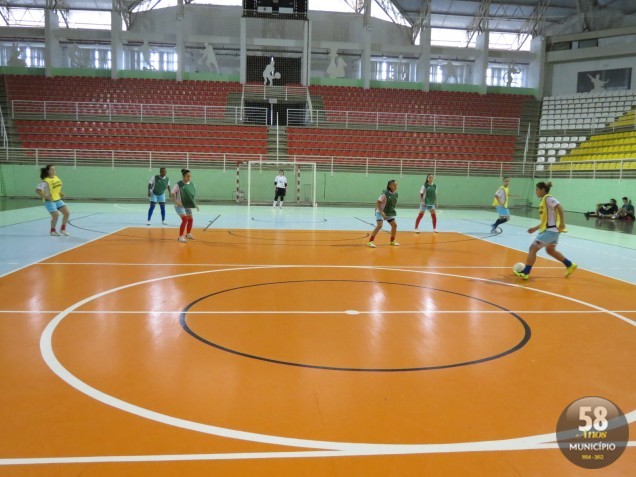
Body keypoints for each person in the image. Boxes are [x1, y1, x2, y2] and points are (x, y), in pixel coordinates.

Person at [513, 181, 577, 280]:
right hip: (551, 231)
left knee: (532, 248)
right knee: (550, 250)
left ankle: (526, 272)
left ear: (543, 190)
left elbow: (560, 208)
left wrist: (562, 223)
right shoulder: (543, 200)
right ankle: (570, 265)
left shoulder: (548, 198)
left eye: (537, 189)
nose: (536, 192)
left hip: (551, 231)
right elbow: (546, 220)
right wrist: (535, 228)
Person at [35, 164, 71, 236]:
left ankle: (62, 229)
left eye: (54, 169)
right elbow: (37, 190)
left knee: (67, 213)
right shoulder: (45, 181)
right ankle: (52, 231)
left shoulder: (56, 178)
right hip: (49, 201)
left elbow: (55, 188)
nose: (54, 171)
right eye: (51, 169)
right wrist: (45, 196)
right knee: (55, 216)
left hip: (57, 199)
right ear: (48, 171)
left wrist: (60, 193)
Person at [170, 168, 199, 243]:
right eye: (187, 176)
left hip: (187, 205)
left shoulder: (192, 184)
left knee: (191, 219)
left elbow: (191, 196)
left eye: (190, 176)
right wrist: (176, 202)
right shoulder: (178, 184)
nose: (189, 178)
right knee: (185, 219)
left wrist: (195, 204)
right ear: (183, 176)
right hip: (179, 206)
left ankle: (188, 234)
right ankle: (180, 237)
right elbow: (172, 194)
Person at [368, 180, 399, 248]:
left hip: (388, 212)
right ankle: (370, 241)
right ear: (390, 186)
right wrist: (381, 212)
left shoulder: (396, 194)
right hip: (380, 211)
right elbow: (378, 202)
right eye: (394, 185)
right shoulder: (385, 194)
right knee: (379, 225)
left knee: (394, 225)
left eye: (396, 185)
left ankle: (392, 241)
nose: (396, 186)